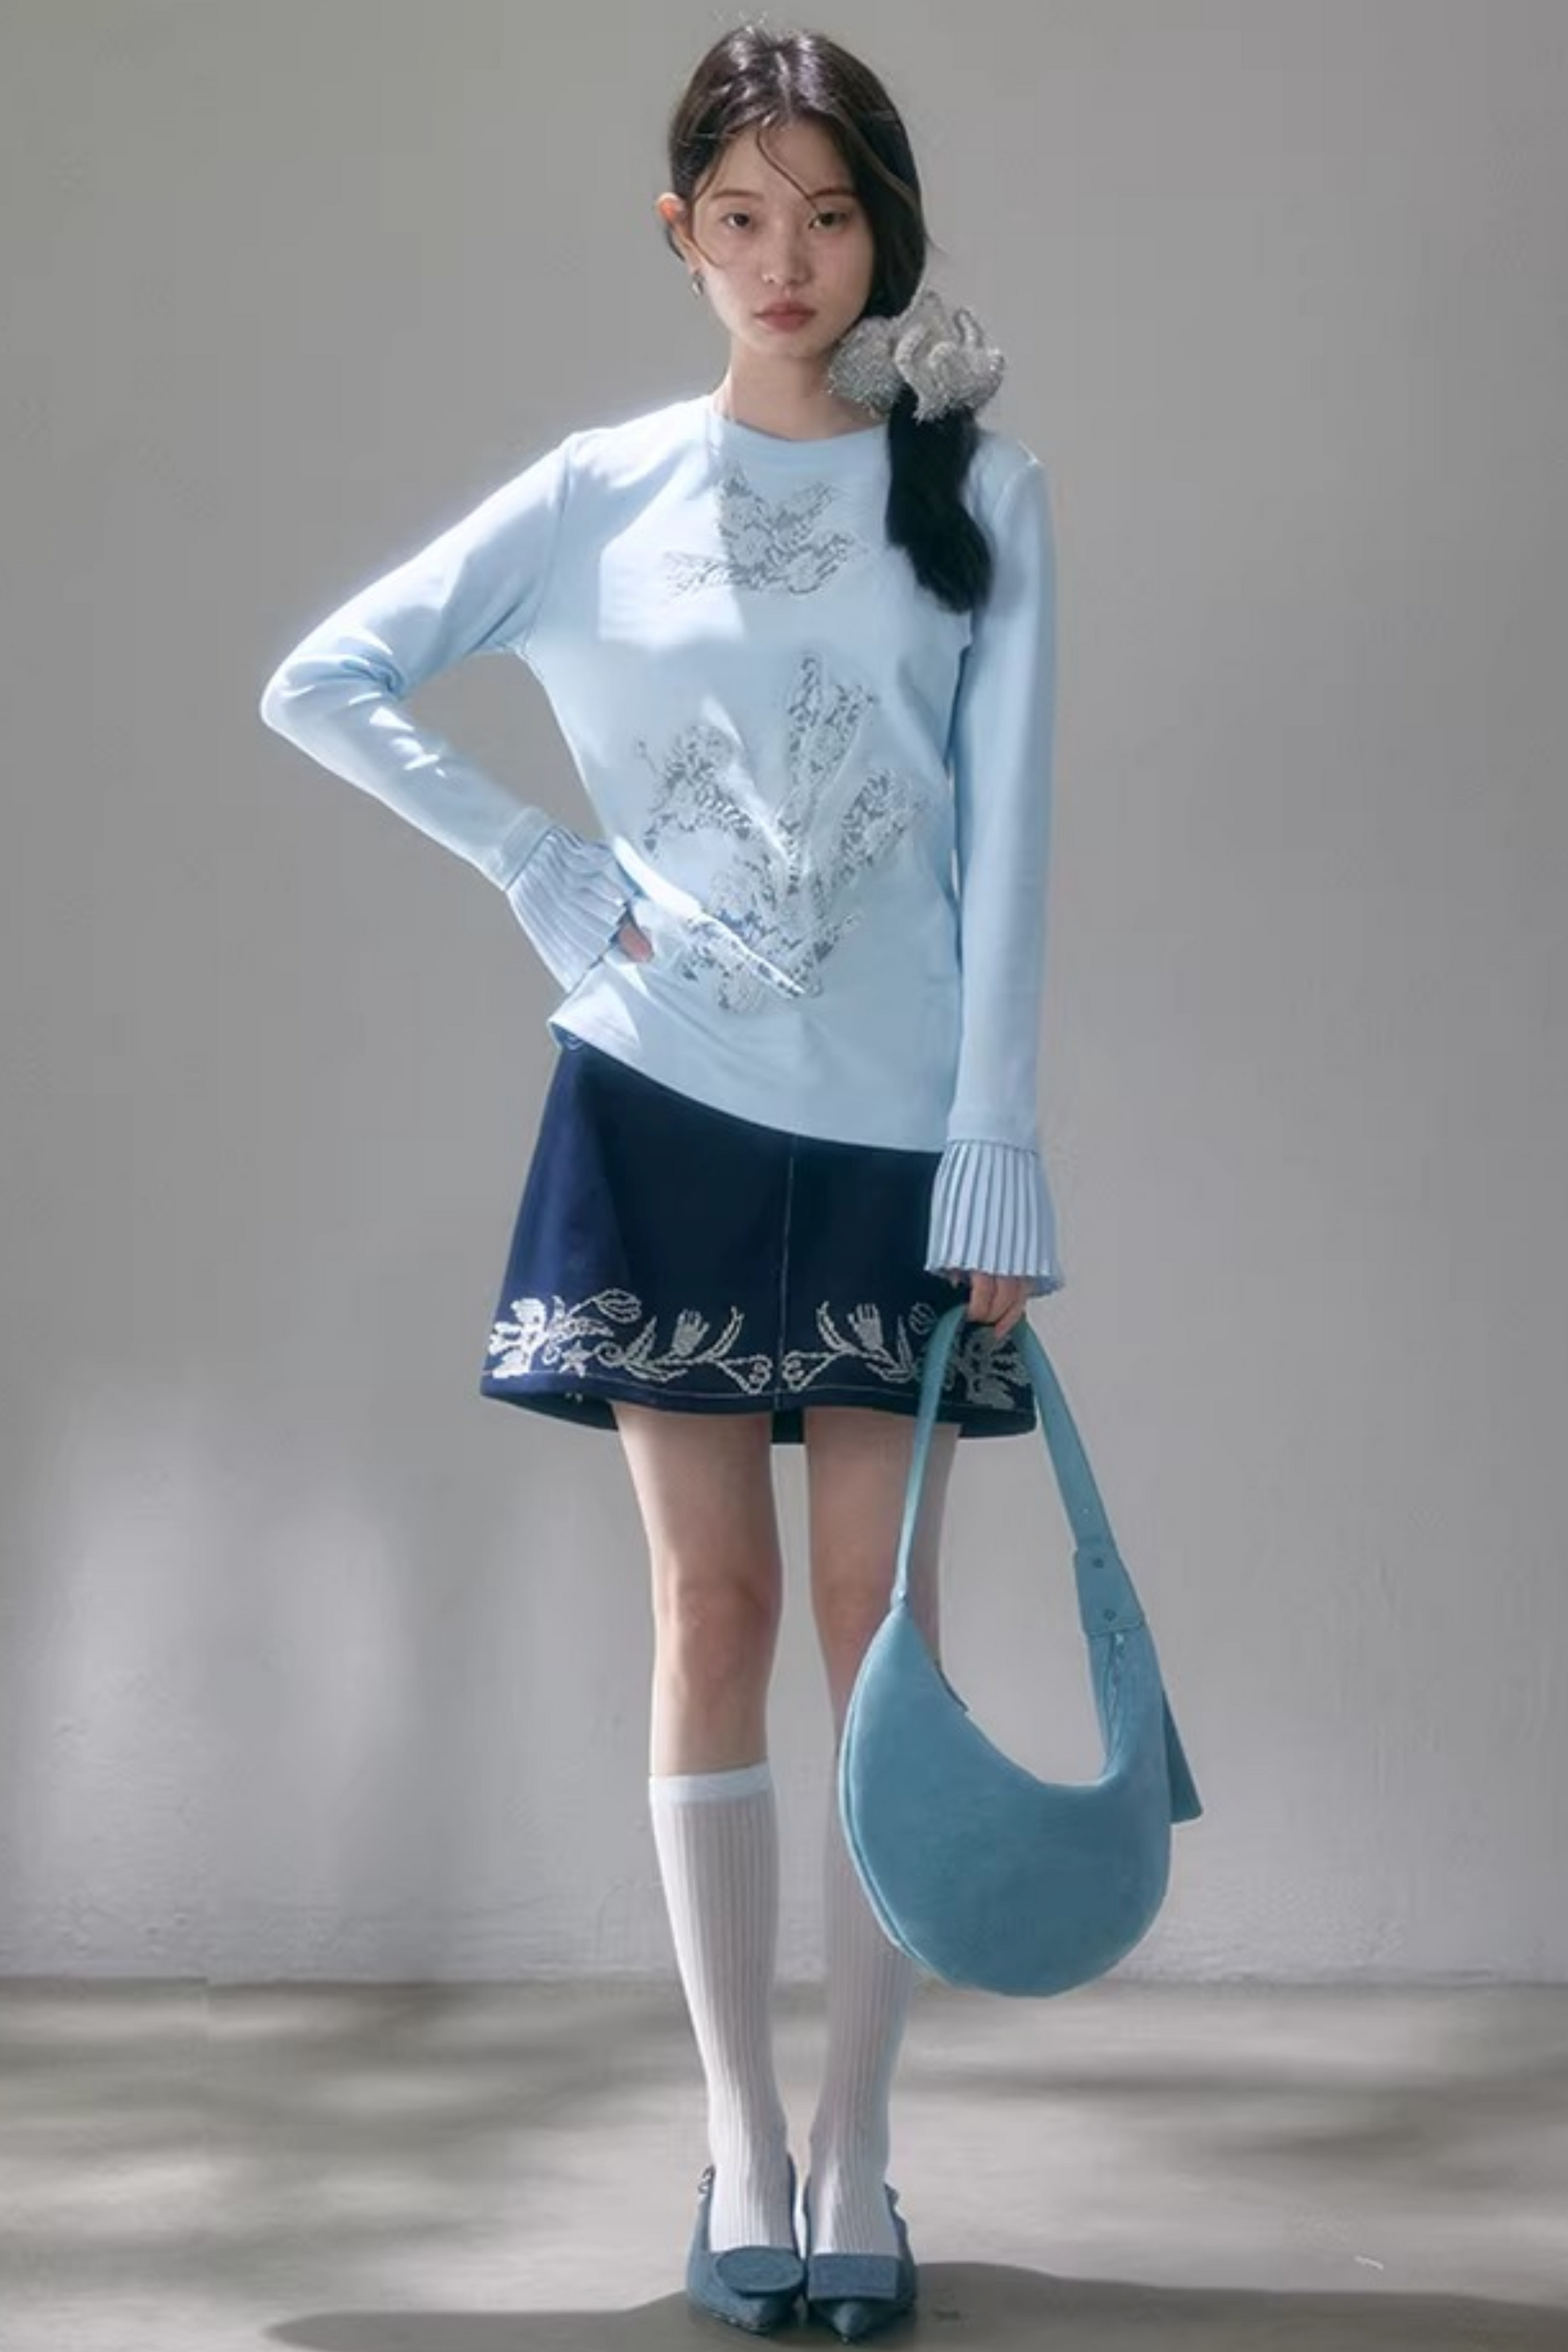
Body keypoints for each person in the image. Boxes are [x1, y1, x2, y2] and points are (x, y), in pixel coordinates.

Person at [259, 21, 1064, 2339]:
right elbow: (328, 676)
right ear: (680, 234)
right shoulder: (599, 491)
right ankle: (738, 2141)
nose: (787, 260)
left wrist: (999, 1150)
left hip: (905, 1140)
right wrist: (535, 862)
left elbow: (1013, 851)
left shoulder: (985, 498)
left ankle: (858, 2151)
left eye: (829, 215)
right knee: (713, 1616)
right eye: (742, 218)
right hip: (659, 1104)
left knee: (882, 1644)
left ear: (881, 228)